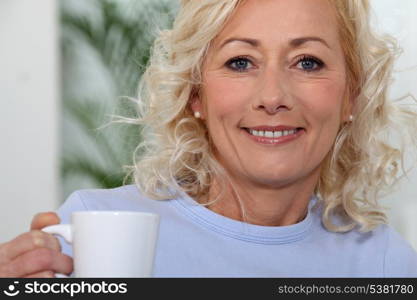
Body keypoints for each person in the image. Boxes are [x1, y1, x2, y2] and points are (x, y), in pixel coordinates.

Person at [1, 0, 417, 278]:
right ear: (196, 93)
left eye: (307, 62)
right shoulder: (93, 226)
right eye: (240, 62)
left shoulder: (383, 263)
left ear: (351, 96)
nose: (273, 97)